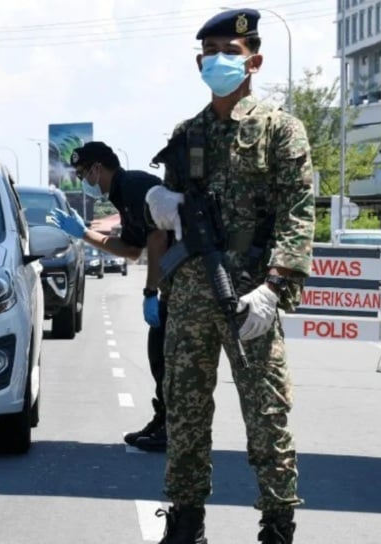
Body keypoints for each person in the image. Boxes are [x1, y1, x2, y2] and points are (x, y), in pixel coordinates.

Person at [144, 8, 313, 544]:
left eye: (230, 53)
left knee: (267, 416)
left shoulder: (281, 131)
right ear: (199, 62)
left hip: (251, 293)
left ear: (254, 61)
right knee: (186, 412)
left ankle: (278, 524)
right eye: (210, 53)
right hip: (192, 289)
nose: (219, 61)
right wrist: (161, 207)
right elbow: (169, 224)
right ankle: (186, 519)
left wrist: (274, 289)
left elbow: (298, 212)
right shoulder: (186, 133)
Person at [50, 141, 170, 453]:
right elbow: (131, 250)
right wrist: (85, 234)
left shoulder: (133, 186)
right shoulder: (122, 192)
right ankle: (165, 421)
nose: (82, 181)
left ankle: (172, 427)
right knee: (159, 352)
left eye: (81, 174)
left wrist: (150, 291)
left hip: (186, 280)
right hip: (175, 282)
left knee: (168, 356)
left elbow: (157, 236)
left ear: (96, 169)